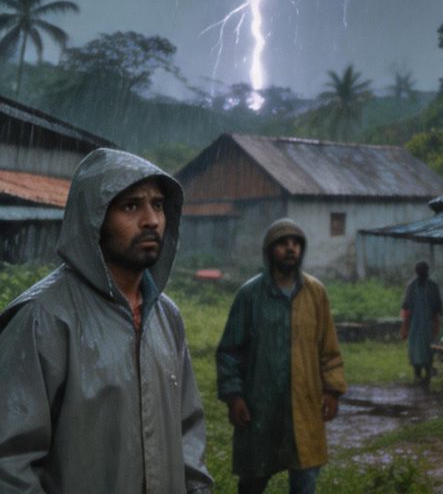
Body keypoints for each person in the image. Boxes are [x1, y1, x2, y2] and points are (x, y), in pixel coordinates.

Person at [0, 146, 213, 493]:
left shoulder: (166, 316)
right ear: (94, 219)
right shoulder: (44, 318)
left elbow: (188, 429)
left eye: (158, 205)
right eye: (131, 206)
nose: (152, 220)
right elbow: (10, 463)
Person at [217, 219, 346, 494]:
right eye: (284, 244)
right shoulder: (250, 295)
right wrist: (234, 396)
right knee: (253, 479)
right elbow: (229, 351)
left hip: (304, 403)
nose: (291, 249)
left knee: (305, 479)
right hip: (260, 405)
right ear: (269, 250)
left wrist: (332, 390)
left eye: (296, 243)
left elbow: (329, 347)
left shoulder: (315, 293)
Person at [400, 260, 442, 388]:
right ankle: (417, 375)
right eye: (420, 271)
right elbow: (406, 308)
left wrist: (436, 324)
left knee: (429, 349)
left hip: (428, 323)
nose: (422, 274)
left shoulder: (433, 286)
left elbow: (437, 308)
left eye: (424, 271)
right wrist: (405, 326)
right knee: (415, 349)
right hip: (415, 323)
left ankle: (428, 375)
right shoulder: (412, 286)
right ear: (417, 272)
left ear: (427, 272)